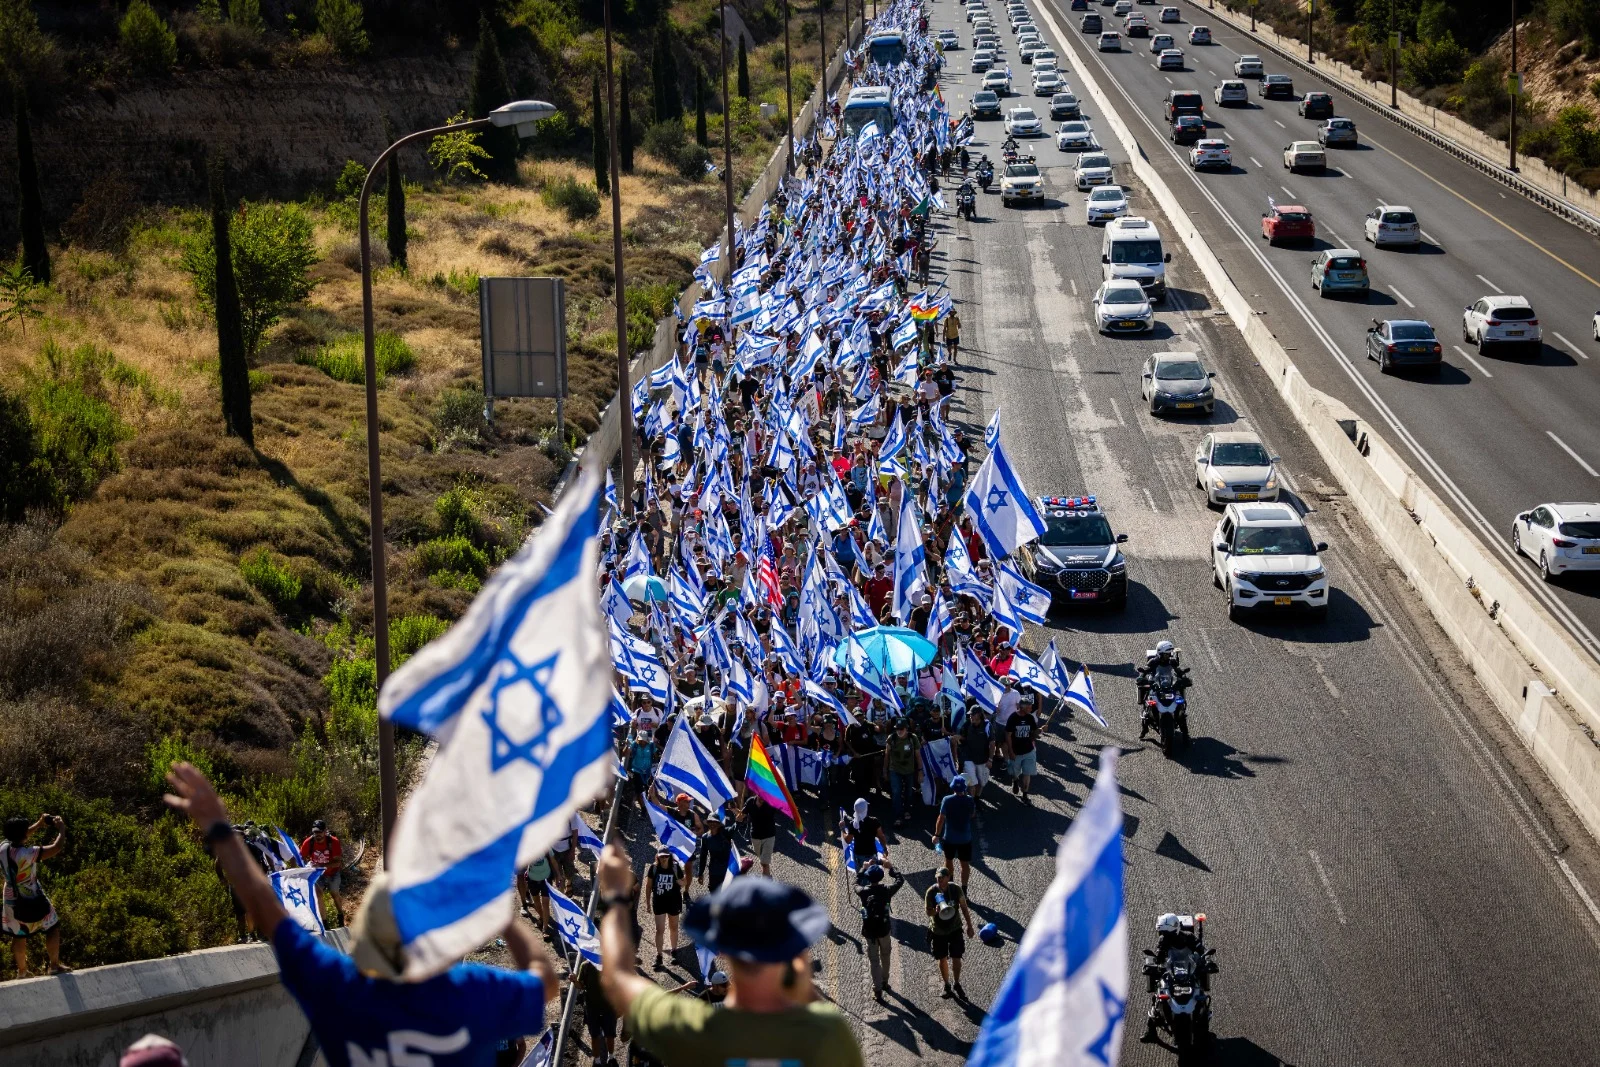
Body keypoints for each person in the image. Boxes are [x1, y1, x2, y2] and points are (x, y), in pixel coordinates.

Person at [162, 762, 560, 1066]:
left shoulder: (340, 991)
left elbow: (265, 906)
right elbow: (546, 984)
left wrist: (220, 830)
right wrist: (501, 919)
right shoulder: (470, 993)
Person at [594, 843, 863, 1067]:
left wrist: (617, 899)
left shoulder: (695, 1026)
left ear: (724, 953)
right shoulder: (828, 1034)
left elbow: (618, 979)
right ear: (797, 957)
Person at [1, 813, 69, 977]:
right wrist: (61, 829)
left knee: (18, 933)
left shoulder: (3, 847)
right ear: (23, 833)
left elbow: (19, 837)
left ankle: (22, 971)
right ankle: (54, 966)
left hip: (11, 898)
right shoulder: (29, 853)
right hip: (31, 896)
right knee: (52, 927)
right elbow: (56, 848)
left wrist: (38, 824)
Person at [855, 857, 903, 1002]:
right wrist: (891, 867)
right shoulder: (886, 890)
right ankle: (885, 981)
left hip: (870, 932)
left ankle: (877, 990)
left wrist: (863, 868)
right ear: (881, 877)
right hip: (884, 929)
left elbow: (855, 883)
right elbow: (900, 881)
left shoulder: (863, 892)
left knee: (874, 960)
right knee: (886, 955)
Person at [923, 867, 975, 1000]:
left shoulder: (956, 889)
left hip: (955, 928)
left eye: (942, 877)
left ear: (948, 877)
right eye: (938, 877)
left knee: (957, 956)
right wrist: (934, 911)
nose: (939, 879)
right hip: (938, 931)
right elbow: (928, 912)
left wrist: (969, 925)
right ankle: (947, 985)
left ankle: (957, 983)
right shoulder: (931, 892)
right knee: (942, 958)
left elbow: (963, 907)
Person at [648, 848, 689, 971]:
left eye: (666, 856)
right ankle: (659, 955)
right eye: (661, 856)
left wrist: (681, 881)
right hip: (659, 902)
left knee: (673, 927)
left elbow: (684, 882)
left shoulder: (675, 868)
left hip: (673, 902)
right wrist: (647, 903)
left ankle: (674, 951)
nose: (664, 858)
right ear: (658, 857)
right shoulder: (653, 868)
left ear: (669, 857)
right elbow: (648, 885)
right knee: (659, 929)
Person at [933, 776, 976, 890]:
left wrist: (937, 835)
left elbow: (941, 818)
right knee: (965, 864)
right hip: (965, 839)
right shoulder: (969, 800)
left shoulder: (947, 800)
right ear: (964, 788)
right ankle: (964, 889)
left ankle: (949, 884)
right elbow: (972, 815)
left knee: (948, 861)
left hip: (950, 838)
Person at [299, 819, 345, 925]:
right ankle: (325, 923)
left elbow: (337, 863)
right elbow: (300, 857)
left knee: (334, 893)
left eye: (319, 832)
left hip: (333, 872)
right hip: (317, 874)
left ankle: (340, 916)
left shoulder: (333, 842)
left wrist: (322, 866)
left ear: (325, 831)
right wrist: (306, 866)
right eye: (315, 832)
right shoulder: (309, 842)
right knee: (318, 894)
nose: (317, 835)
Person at [578, 957, 619, 1067]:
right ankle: (597, 1061)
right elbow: (581, 985)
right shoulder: (585, 966)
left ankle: (611, 1057)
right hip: (592, 1008)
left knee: (610, 1035)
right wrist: (574, 981)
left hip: (608, 1007)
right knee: (594, 1035)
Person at [883, 718, 923, 827]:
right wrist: (885, 771)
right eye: (897, 729)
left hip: (909, 770)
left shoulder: (912, 738)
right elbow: (887, 755)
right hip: (894, 770)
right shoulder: (891, 738)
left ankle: (907, 810)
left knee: (908, 792)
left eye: (902, 729)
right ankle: (898, 816)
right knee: (896, 792)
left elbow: (918, 756)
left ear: (906, 729)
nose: (899, 731)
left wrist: (920, 771)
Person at [1004, 693, 1040, 802]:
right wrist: (1010, 751)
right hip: (1016, 752)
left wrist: (1040, 730)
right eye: (1029, 707)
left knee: (1027, 773)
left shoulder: (1030, 718)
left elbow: (1034, 733)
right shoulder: (1013, 718)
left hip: (1029, 751)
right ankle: (1015, 780)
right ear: (1022, 707)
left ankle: (1025, 794)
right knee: (1015, 773)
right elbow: (1008, 735)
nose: (1031, 708)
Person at [953, 706, 993, 801]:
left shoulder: (987, 725)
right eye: (970, 714)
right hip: (969, 757)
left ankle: (976, 799)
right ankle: (972, 804)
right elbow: (963, 738)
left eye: (973, 714)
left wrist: (990, 759)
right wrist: (958, 737)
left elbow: (992, 743)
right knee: (972, 783)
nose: (970, 716)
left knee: (981, 782)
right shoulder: (967, 724)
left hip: (983, 759)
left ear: (979, 715)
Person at [737, 795, 778, 878]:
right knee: (762, 860)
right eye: (760, 795)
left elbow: (783, 808)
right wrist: (734, 810)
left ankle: (766, 884)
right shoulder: (750, 801)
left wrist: (793, 810)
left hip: (769, 836)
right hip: (755, 836)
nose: (762, 798)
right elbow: (741, 816)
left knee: (764, 862)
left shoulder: (771, 802)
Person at [699, 815, 736, 894]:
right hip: (714, 872)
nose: (712, 824)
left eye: (715, 822)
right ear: (708, 823)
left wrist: (738, 821)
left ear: (719, 824)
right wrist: (700, 873)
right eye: (710, 822)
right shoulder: (705, 837)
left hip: (727, 871)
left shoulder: (725, 833)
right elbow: (703, 856)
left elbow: (733, 829)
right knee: (714, 895)